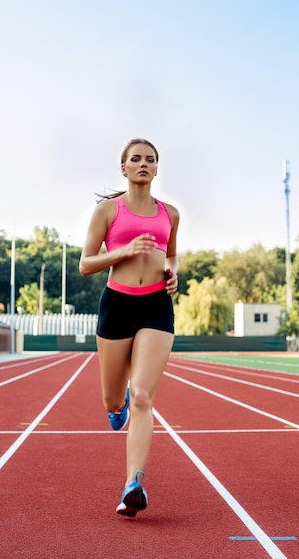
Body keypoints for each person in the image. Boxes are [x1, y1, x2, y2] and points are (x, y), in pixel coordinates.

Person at [79, 138, 179, 517]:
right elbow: (85, 264)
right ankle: (115, 400)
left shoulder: (171, 213)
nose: (143, 164)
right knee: (114, 401)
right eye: (135, 159)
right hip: (117, 306)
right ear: (124, 168)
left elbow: (172, 254)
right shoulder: (107, 210)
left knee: (142, 397)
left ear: (156, 169)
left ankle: (132, 484)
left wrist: (174, 275)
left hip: (156, 307)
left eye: (150, 160)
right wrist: (124, 251)